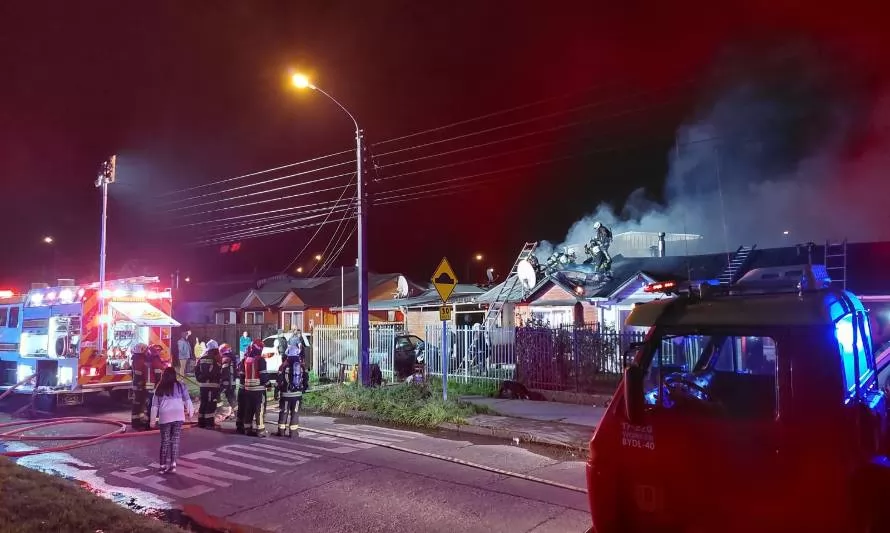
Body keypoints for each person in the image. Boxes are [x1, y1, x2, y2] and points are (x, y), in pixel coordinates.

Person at [150, 367, 194, 474]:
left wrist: (152, 421)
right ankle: (173, 464)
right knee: (175, 440)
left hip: (165, 417)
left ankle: (162, 466)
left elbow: (154, 406)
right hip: (178, 416)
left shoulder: (159, 387)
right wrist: (191, 413)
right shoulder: (180, 385)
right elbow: (187, 400)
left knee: (165, 441)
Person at [237, 340, 267, 437]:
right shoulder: (261, 360)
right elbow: (263, 376)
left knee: (248, 410)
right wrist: (269, 384)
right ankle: (260, 431)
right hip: (258, 390)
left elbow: (242, 376)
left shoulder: (247, 360)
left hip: (248, 390)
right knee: (259, 410)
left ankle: (247, 429)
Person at [275, 355, 306, 437]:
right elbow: (306, 379)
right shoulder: (301, 366)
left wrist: (277, 392)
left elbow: (278, 381)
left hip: (285, 395)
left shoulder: (283, 366)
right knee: (295, 413)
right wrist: (303, 389)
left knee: (284, 412)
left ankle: (281, 432)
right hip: (297, 395)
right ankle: (293, 433)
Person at [194, 340, 222, 429]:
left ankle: (201, 422)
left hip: (203, 385)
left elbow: (196, 369)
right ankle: (209, 424)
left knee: (203, 403)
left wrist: (200, 378)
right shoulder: (216, 358)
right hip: (212, 385)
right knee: (211, 404)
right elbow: (217, 371)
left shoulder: (202, 358)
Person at [130, 343, 150, 430]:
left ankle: (138, 420)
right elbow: (140, 375)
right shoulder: (140, 360)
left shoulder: (137, 359)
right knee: (139, 403)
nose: (147, 352)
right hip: (139, 385)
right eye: (146, 350)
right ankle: (137, 422)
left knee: (140, 403)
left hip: (138, 384)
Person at [218, 343, 237, 421]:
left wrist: (223, 383)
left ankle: (221, 412)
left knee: (228, 397)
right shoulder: (232, 358)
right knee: (231, 398)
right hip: (232, 382)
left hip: (227, 382)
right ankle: (236, 413)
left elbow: (225, 372)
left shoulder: (225, 359)